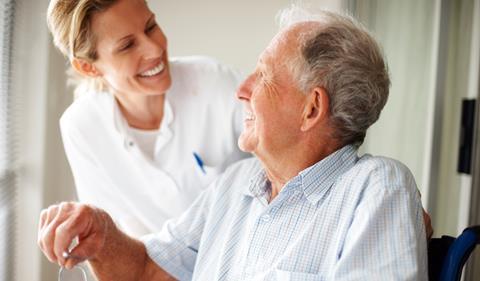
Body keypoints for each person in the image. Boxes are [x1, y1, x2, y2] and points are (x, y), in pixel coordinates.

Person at [38, 7, 429, 280]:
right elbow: (146, 270)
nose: (241, 89)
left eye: (262, 77)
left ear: (311, 109)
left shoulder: (375, 189)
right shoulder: (236, 184)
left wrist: (401, 213)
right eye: (127, 45)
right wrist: (102, 236)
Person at [47, 0, 249, 237]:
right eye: (127, 46)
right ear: (88, 67)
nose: (155, 49)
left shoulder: (214, 81)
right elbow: (110, 236)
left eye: (151, 26)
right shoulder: (81, 127)